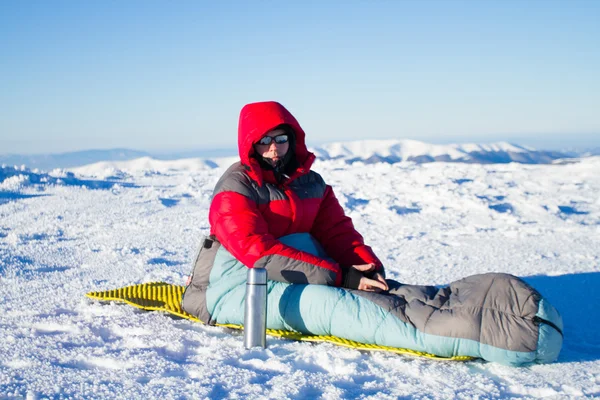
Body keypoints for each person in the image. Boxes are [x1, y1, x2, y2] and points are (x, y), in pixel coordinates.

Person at [205, 101, 388, 292]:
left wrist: (368, 267)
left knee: (395, 299)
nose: (274, 148)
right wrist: (341, 277)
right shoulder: (235, 188)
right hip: (236, 285)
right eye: (264, 141)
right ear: (251, 144)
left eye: (281, 139)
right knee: (355, 311)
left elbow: (338, 233)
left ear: (292, 140)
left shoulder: (313, 184)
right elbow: (258, 253)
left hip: (304, 279)